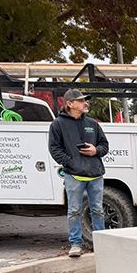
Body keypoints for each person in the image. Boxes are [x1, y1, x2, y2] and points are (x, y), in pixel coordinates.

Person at [48, 89, 109, 257]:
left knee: (97, 209)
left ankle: (102, 243)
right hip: (73, 175)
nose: (85, 103)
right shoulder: (57, 125)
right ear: (70, 104)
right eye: (81, 101)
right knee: (74, 210)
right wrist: (71, 162)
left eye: (85, 100)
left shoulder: (92, 123)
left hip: (95, 174)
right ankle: (75, 244)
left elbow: (105, 145)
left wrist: (96, 150)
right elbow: (54, 149)